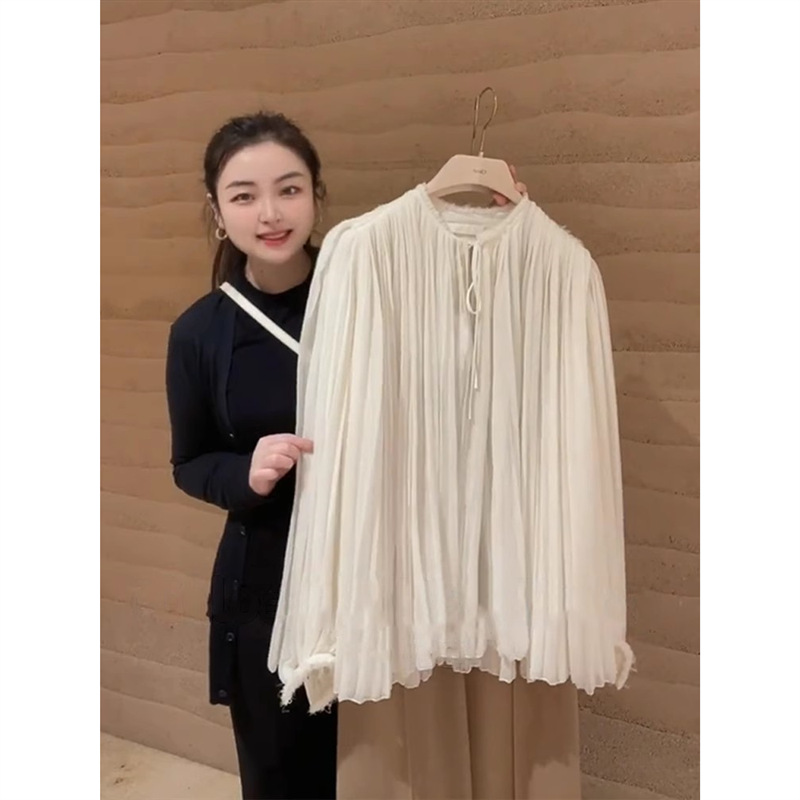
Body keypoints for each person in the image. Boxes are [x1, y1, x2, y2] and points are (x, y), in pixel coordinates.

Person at [165, 109, 527, 800]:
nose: (270, 213)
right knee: (284, 778)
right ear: (217, 211)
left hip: (388, 580)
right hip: (269, 590)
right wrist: (244, 473)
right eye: (244, 195)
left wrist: (502, 228)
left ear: (317, 195)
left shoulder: (379, 287)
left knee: (388, 775)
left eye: (289, 189)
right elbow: (189, 463)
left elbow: (468, 340)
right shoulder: (200, 333)